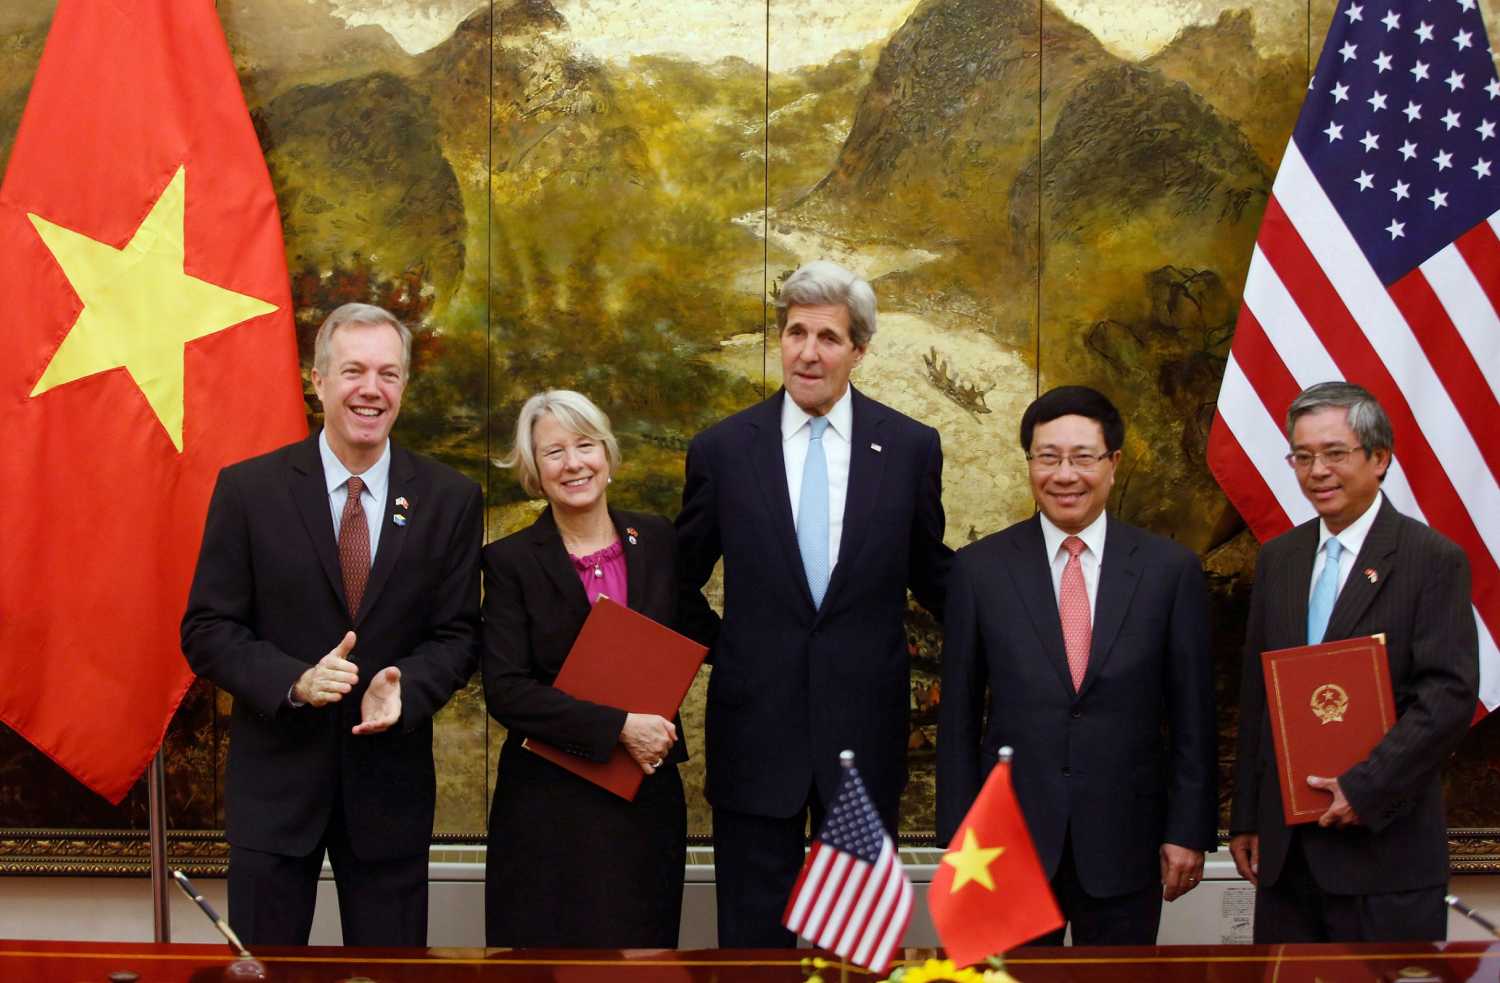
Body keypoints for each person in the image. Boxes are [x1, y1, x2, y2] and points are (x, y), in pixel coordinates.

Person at [181, 303, 482, 946]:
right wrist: (295, 682)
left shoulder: (449, 498)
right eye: (353, 371)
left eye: (388, 374)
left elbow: (458, 635)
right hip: (275, 795)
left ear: (403, 386)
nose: (371, 389)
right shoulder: (249, 490)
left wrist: (408, 688)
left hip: (388, 796)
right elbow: (208, 628)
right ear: (317, 380)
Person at [676, 259, 952, 948]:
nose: (808, 351)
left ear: (860, 348)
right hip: (754, 737)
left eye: (828, 336)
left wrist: (1020, 617)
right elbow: (676, 580)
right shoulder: (722, 450)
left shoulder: (911, 448)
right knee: (751, 946)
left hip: (865, 739)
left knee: (853, 950)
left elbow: (935, 576)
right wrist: (729, 647)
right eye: (795, 332)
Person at [937, 385, 1217, 946]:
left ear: (1112, 464)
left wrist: (1187, 830)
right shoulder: (979, 570)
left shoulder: (1170, 571)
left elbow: (1194, 717)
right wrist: (960, 836)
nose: (1065, 475)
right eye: (1048, 457)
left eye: (1082, 457)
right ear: (1030, 464)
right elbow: (960, 719)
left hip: (1126, 841)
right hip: (1005, 846)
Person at [1230, 381, 1479, 943]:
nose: (1317, 470)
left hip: (1384, 859)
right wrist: (1246, 816)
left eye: (1335, 453)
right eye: (1303, 455)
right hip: (1286, 863)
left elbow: (1447, 697)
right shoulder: (1280, 560)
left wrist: (1364, 787)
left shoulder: (1432, 559)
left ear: (1380, 457)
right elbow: (1257, 696)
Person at [481, 389, 686, 948]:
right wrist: (619, 726)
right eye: (554, 452)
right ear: (534, 470)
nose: (574, 463)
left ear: (608, 454)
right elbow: (505, 691)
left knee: (643, 962)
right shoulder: (509, 563)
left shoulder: (659, 541)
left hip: (646, 802)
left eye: (585, 446)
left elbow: (699, 632)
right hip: (547, 811)